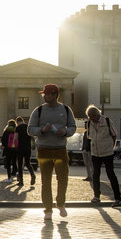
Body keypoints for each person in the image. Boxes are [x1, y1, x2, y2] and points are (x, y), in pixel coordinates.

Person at [28, 84, 76, 220]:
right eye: (44, 94)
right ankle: (48, 209)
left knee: (63, 178)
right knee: (46, 180)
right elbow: (30, 129)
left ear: (55, 95)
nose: (44, 96)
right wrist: (42, 130)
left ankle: (60, 203)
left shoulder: (66, 110)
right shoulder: (38, 111)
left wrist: (66, 132)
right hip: (43, 149)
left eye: (47, 94)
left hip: (60, 149)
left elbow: (72, 126)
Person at [85, 105, 121, 207]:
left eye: (92, 116)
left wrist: (111, 146)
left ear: (97, 114)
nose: (90, 118)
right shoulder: (89, 123)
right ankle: (96, 196)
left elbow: (114, 134)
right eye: (89, 116)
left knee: (111, 174)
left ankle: (117, 198)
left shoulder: (107, 121)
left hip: (107, 152)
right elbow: (90, 137)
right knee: (95, 175)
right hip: (95, 153)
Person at [15, 116, 36, 186]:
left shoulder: (18, 128)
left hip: (20, 148)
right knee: (27, 163)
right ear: (23, 120)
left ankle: (21, 181)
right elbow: (32, 136)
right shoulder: (28, 127)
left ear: (17, 122)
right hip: (28, 148)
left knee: (20, 164)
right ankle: (32, 174)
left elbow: (15, 138)